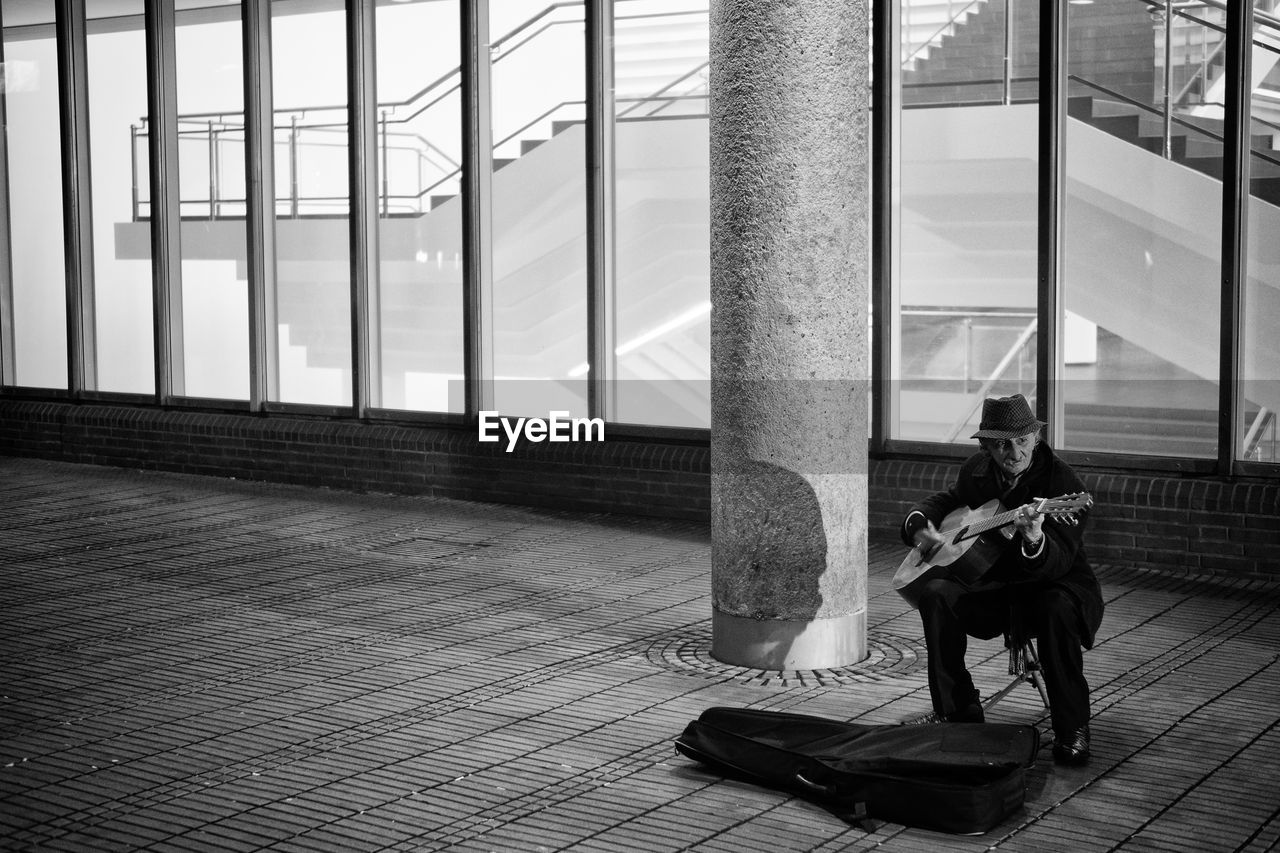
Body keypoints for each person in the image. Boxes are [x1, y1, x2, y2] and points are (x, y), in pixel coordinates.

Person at [899, 394, 1103, 766]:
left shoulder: (1061, 482)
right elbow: (947, 502)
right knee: (935, 593)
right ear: (987, 446)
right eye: (1002, 444)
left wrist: (1034, 538)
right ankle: (956, 712)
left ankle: (1072, 726)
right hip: (993, 589)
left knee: (1056, 608)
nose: (1014, 453)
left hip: (1051, 584)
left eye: (1022, 441)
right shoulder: (976, 470)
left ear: (1036, 439)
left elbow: (1058, 561)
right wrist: (919, 527)